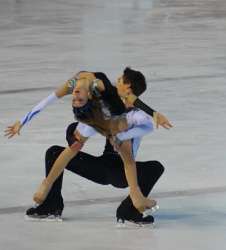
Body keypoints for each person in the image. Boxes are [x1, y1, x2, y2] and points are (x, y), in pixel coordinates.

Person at [5, 67, 172, 214]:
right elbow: (51, 102)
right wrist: (23, 121)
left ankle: (130, 210)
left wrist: (149, 117)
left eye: (120, 80)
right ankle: (51, 205)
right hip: (103, 168)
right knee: (54, 153)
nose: (117, 80)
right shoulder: (98, 99)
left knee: (148, 163)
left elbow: (133, 103)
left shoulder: (131, 113)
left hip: (121, 173)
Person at [26, 112, 164, 226]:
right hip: (109, 170)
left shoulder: (133, 116)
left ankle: (129, 211)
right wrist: (72, 138)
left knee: (155, 168)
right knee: (54, 153)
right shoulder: (111, 114)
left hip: (115, 171)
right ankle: (129, 211)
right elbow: (76, 127)